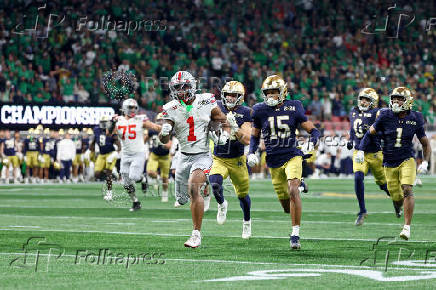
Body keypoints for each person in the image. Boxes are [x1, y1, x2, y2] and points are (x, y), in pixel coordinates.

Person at [248, 75, 320, 250]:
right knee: (287, 207)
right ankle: (299, 183)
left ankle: (295, 234)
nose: (271, 96)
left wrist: (311, 142)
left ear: (283, 92)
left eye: (275, 92)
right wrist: (251, 152)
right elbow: (255, 135)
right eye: (268, 93)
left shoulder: (294, 106)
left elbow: (313, 130)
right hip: (273, 160)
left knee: (293, 189)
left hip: (292, 154)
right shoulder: (259, 109)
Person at [158, 71, 229, 248]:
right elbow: (164, 140)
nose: (182, 91)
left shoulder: (206, 100)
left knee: (194, 187)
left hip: (202, 155)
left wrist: (222, 133)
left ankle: (196, 234)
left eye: (185, 86)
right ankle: (184, 197)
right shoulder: (170, 108)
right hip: (182, 156)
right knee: (182, 197)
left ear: (193, 86)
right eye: (178, 88)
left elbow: (221, 119)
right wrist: (163, 132)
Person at [356, 87, 431, 240]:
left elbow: (425, 143)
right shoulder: (384, 115)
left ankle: (407, 227)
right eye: (394, 98)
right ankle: (397, 207)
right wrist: (361, 150)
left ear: (408, 101)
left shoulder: (415, 117)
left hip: (407, 159)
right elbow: (369, 133)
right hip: (389, 162)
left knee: (407, 189)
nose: (396, 101)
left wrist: (425, 162)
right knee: (396, 197)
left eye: (400, 98)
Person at [208, 81, 253, 239]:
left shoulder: (246, 112)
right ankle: (221, 204)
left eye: (234, 95)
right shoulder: (216, 106)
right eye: (228, 94)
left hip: (237, 160)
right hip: (219, 157)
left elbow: (247, 139)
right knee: (214, 183)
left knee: (243, 196)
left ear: (240, 97)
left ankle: (247, 222)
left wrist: (235, 128)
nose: (230, 97)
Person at [348, 88, 390, 226]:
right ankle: (362, 210)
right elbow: (352, 129)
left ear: (373, 102)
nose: (363, 102)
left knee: (383, 184)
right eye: (362, 99)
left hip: (375, 153)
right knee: (358, 177)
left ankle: (397, 200)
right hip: (359, 152)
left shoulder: (376, 113)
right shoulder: (353, 110)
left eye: (367, 100)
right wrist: (350, 139)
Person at [112, 98, 161, 211]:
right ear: (124, 108)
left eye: (135, 107)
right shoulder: (118, 120)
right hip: (125, 154)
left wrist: (164, 129)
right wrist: (111, 126)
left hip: (138, 153)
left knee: (134, 176)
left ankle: (143, 179)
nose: (133, 110)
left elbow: (154, 126)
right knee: (125, 182)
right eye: (130, 107)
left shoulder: (140, 119)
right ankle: (135, 201)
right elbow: (111, 134)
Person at [146, 113, 172, 202]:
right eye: (159, 121)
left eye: (162, 121)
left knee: (165, 178)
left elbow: (169, 145)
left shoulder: (169, 130)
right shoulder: (152, 131)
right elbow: (145, 138)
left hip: (165, 156)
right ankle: (157, 179)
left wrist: (162, 142)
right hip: (154, 155)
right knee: (150, 172)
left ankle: (165, 193)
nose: (160, 123)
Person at [92, 116, 120, 200]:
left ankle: (109, 193)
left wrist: (117, 152)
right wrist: (91, 147)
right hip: (101, 154)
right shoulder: (96, 130)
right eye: (102, 122)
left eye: (105, 122)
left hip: (110, 153)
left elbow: (117, 142)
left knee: (108, 173)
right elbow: (95, 139)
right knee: (97, 174)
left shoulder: (111, 130)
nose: (103, 124)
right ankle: (113, 173)